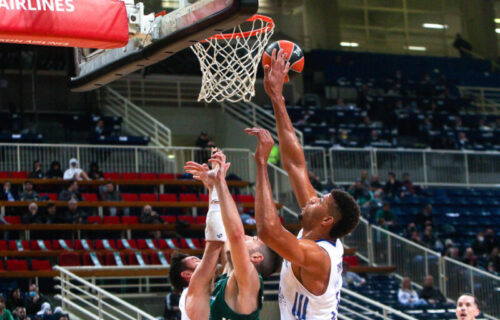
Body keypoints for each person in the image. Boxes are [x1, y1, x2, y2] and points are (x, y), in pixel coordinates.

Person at [248, 48, 360, 320]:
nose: (312, 198)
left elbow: (268, 231)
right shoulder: (318, 235)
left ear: (326, 221)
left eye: (320, 201)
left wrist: (262, 165)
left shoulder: (317, 256)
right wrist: (276, 98)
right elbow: (296, 165)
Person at [173, 149, 277, 320]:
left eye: (253, 239)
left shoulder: (251, 282)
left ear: (256, 257)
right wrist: (213, 188)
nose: (248, 236)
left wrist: (220, 182)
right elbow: (221, 236)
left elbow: (234, 235)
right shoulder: (224, 281)